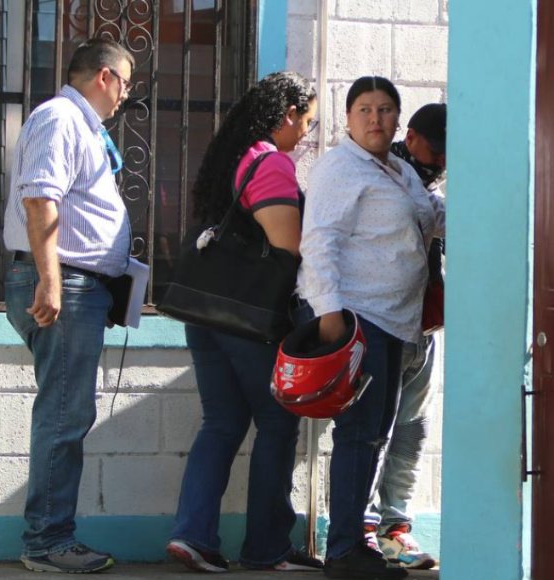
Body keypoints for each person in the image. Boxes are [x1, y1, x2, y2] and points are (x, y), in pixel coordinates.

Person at [165, 71, 324, 573]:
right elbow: (287, 244)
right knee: (277, 419)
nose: (306, 137)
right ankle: (266, 548)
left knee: (224, 421)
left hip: (205, 311)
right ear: (287, 115)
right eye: (307, 124)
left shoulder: (232, 157)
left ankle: (193, 536)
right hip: (246, 315)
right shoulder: (271, 163)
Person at [297, 76, 446, 580]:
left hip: (395, 322)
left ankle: (353, 547)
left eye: (385, 110)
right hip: (359, 321)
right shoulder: (339, 168)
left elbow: (436, 216)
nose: (376, 119)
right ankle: (343, 552)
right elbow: (319, 241)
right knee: (359, 436)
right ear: (348, 118)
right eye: (365, 109)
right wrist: (330, 314)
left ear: (398, 120)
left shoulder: (400, 172)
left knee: (374, 437)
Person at [2, 39, 134, 574]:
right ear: (104, 77)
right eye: (126, 82)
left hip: (78, 284)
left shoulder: (82, 126)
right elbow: (40, 198)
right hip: (65, 284)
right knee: (64, 415)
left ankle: (50, 537)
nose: (127, 94)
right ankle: (47, 543)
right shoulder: (59, 117)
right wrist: (52, 281)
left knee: (68, 412)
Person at [365, 103, 447, 570]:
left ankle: (395, 528)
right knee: (373, 430)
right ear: (410, 136)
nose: (438, 164)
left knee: (413, 429)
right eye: (434, 152)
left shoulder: (428, 186)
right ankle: (360, 528)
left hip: (423, 326)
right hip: (382, 323)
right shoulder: (384, 175)